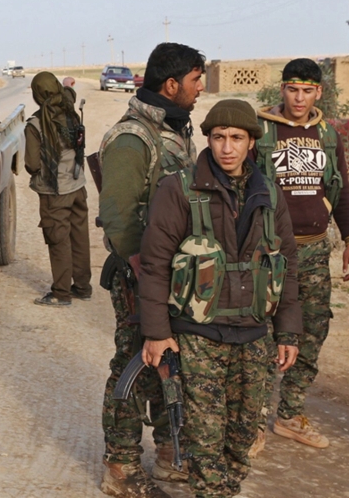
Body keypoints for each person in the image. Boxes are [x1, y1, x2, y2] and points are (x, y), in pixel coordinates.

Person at [138, 99, 301, 498]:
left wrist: (288, 333)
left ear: (251, 142)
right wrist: (157, 333)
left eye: (236, 138)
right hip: (199, 337)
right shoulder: (179, 189)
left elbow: (289, 267)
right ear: (207, 140)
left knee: (242, 441)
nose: (227, 147)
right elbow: (155, 265)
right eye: (218, 137)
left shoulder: (270, 195)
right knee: (204, 444)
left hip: (253, 337)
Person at [96, 42, 204, 498]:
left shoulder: (177, 130)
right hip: (142, 274)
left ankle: (167, 451)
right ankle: (119, 465)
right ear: (172, 84)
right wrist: (147, 275)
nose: (201, 89)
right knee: (136, 362)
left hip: (174, 274)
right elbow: (119, 218)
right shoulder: (132, 137)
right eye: (197, 80)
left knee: (169, 363)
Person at [251, 58, 349, 452]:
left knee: (311, 332)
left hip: (314, 252)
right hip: (268, 252)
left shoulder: (328, 135)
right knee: (260, 335)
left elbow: (342, 190)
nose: (299, 98)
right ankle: (253, 421)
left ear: (319, 92)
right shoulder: (260, 132)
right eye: (292, 90)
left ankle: (289, 413)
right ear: (282, 90)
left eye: (307, 91)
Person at [24, 72, 91, 306]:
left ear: (36, 96)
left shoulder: (35, 124)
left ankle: (61, 293)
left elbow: (31, 164)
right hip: (78, 185)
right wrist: (68, 85)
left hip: (55, 192)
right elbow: (68, 95)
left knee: (58, 240)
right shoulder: (68, 108)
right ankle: (82, 287)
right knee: (79, 236)